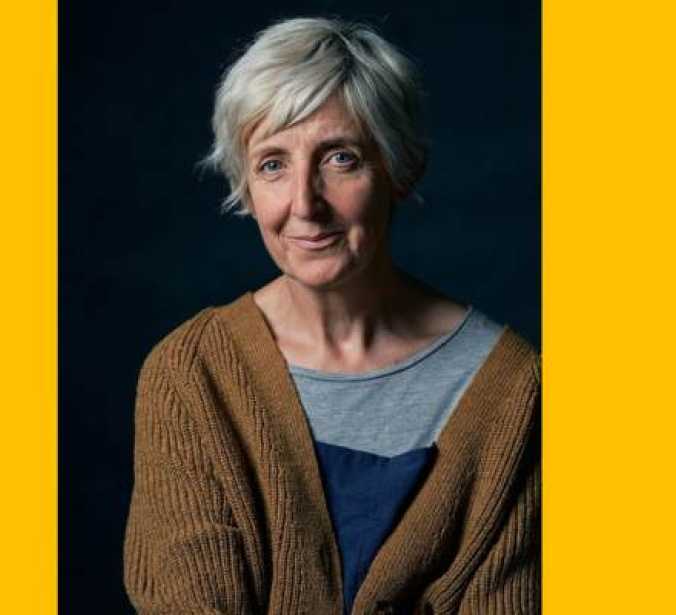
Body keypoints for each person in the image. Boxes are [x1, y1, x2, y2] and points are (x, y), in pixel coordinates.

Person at [123, 17, 540, 615]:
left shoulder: (515, 390)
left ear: (400, 169)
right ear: (245, 185)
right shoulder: (191, 375)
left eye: (340, 159)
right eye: (271, 164)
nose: (304, 204)